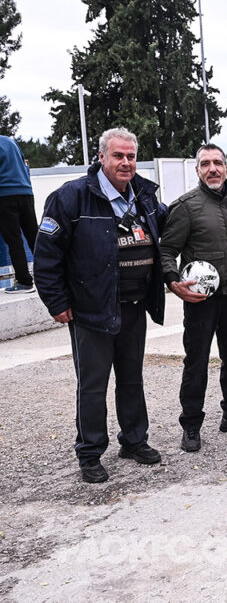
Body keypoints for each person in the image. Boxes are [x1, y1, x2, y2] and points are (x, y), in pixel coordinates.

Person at [34, 127, 166, 483]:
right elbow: (46, 256)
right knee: (93, 386)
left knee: (131, 379)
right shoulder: (70, 197)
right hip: (91, 311)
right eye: (118, 156)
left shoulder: (145, 196)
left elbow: (168, 229)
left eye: (131, 157)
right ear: (101, 157)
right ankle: (90, 453)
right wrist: (56, 302)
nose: (126, 163)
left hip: (134, 306)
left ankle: (134, 440)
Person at [161, 144, 227, 452]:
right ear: (197, 170)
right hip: (201, 301)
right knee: (197, 362)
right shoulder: (186, 206)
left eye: (217, 162)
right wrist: (173, 281)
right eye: (205, 164)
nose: (212, 169)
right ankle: (191, 424)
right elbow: (167, 250)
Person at [0, 135, 39, 294]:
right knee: (35, 238)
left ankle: (24, 282)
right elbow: (24, 165)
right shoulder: (10, 141)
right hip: (26, 192)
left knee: (14, 241)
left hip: (4, 195)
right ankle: (53, 277)